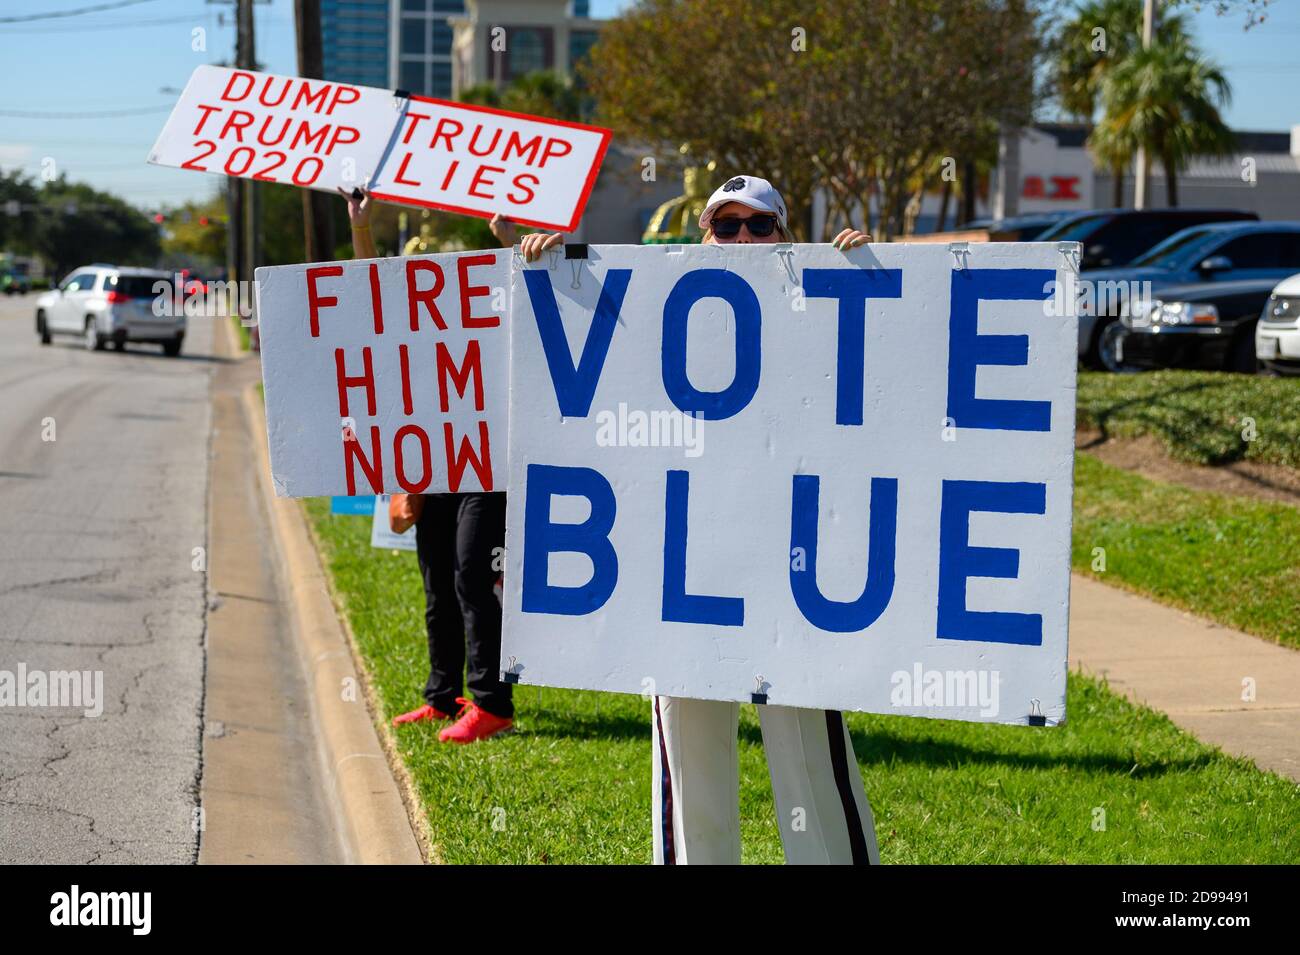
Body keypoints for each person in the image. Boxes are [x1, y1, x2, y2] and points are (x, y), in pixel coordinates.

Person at [520, 175, 879, 863]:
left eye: (760, 224)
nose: (743, 238)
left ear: (786, 233)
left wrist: (867, 279)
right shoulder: (655, 308)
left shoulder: (819, 304)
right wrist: (555, 276)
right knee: (690, 760)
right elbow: (584, 381)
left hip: (789, 567)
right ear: (703, 236)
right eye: (727, 224)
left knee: (808, 752)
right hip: (680, 569)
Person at [339, 186, 516, 744]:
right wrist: (361, 227)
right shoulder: (407, 325)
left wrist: (510, 244)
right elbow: (369, 295)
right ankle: (444, 696)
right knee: (437, 584)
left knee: (471, 575)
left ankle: (492, 703)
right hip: (432, 464)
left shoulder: (492, 310)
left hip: (484, 466)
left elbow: (532, 296)